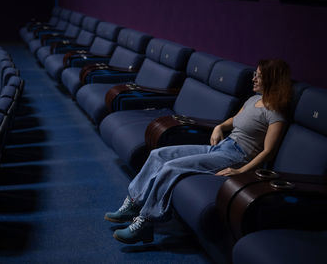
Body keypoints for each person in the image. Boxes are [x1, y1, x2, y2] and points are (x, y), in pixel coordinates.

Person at [104, 59, 294, 244]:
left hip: (237, 156)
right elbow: (234, 121)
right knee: (158, 154)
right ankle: (133, 202)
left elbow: (268, 151)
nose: (253, 78)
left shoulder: (275, 111)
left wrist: (242, 171)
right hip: (221, 147)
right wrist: (219, 127)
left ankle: (146, 222)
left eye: (259, 76)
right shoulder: (253, 99)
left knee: (171, 167)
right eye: (255, 74)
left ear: (271, 79)